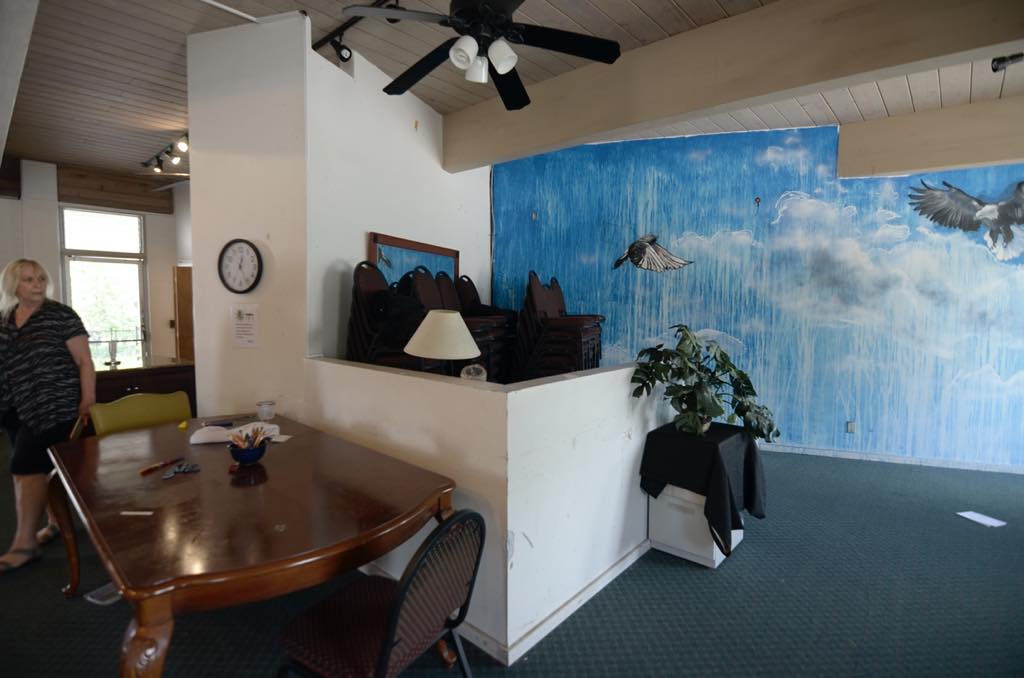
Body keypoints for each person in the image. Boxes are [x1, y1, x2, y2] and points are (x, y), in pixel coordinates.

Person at [0, 259, 95, 572]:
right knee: (40, 470)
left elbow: (84, 361)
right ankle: (55, 523)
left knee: (25, 468)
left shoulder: (61, 315)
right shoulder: (5, 319)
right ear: (14, 285)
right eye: (28, 279)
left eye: (41, 278)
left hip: (56, 405)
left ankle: (24, 545)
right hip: (17, 408)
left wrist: (88, 399)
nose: (37, 284)